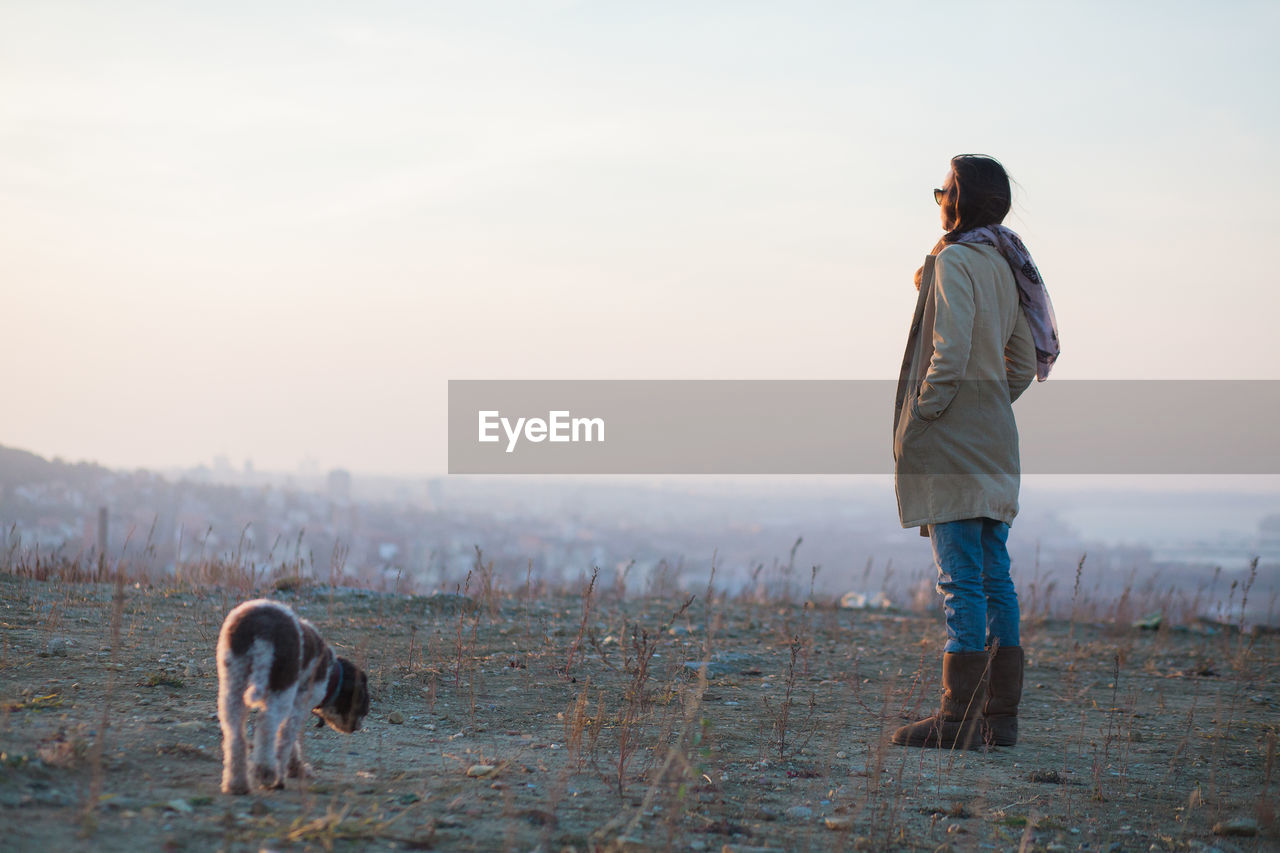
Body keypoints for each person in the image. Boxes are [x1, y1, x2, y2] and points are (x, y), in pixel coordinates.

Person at [890, 154, 1059, 749]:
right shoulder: (1003, 263)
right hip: (994, 437)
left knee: (959, 579)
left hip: (953, 438)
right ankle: (999, 721)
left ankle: (955, 720)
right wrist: (989, 406)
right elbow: (1019, 362)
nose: (938, 199)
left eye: (943, 190)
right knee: (995, 579)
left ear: (957, 200)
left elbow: (950, 349)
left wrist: (925, 415)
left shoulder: (957, 261)